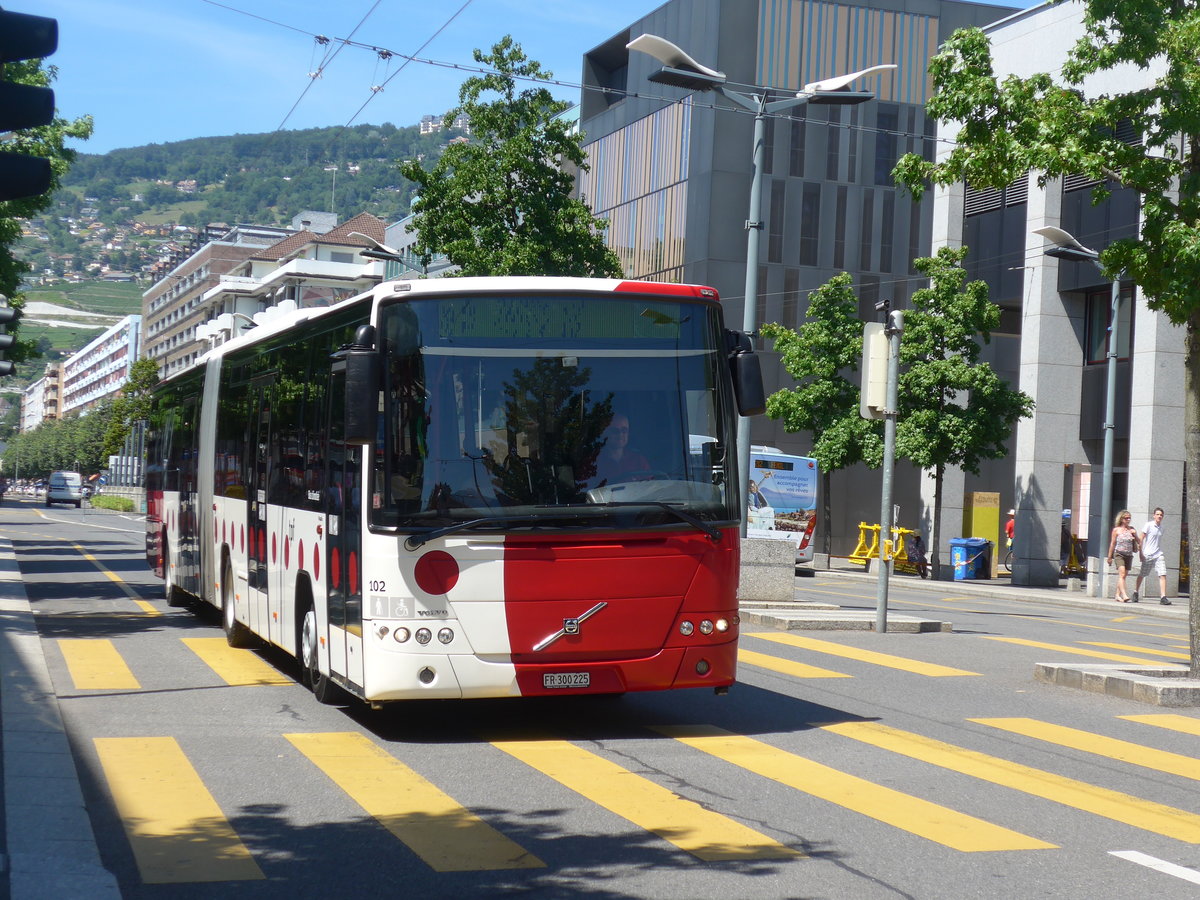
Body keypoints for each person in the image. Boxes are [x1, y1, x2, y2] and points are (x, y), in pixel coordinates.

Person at [594, 413, 649, 484]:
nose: (620, 434)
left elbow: (651, 486)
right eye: (615, 431)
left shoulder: (638, 460)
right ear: (604, 433)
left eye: (624, 430)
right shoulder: (594, 463)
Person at [1133, 507, 1172, 605]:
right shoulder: (1148, 525)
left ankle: (1163, 597)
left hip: (1158, 554)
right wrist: (1140, 553)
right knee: (1143, 574)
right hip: (1148, 554)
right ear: (1154, 515)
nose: (1159, 516)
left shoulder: (1162, 528)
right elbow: (1141, 539)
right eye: (1157, 514)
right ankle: (1135, 592)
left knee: (1162, 573)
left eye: (1161, 515)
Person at [1106, 509, 1141, 602]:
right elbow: (1112, 543)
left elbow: (1139, 541)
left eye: (1129, 518)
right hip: (1119, 554)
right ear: (1121, 519)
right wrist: (1109, 557)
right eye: (1126, 518)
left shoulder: (1131, 529)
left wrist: (1135, 534)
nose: (1128, 520)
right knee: (1121, 574)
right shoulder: (1116, 530)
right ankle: (1124, 595)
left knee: (1123, 576)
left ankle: (1117, 595)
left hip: (1129, 555)